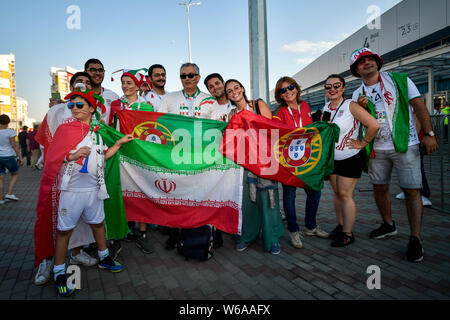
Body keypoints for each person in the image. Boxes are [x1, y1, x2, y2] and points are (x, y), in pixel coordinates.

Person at [36, 88, 132, 297]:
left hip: (94, 190)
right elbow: (54, 157)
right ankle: (60, 272)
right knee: (64, 231)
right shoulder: (65, 129)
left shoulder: (98, 131)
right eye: (71, 105)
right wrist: (72, 156)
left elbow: (103, 157)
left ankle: (104, 257)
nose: (74, 109)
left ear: (91, 108)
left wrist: (118, 143)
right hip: (71, 191)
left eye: (80, 105)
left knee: (98, 224)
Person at [351, 47, 438, 262]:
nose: (367, 63)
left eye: (371, 59)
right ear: (356, 70)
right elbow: (356, 122)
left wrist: (429, 133)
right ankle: (388, 224)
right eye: (362, 62)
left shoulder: (400, 80)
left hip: (405, 144)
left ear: (378, 63)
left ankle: (415, 238)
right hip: (376, 150)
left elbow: (418, 106)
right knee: (379, 188)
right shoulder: (356, 93)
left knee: (411, 192)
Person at [159, 62, 221, 250]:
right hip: (177, 155)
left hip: (203, 157)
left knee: (205, 194)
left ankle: (210, 232)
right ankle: (174, 233)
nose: (187, 79)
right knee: (177, 195)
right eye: (183, 76)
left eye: (191, 75)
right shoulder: (169, 98)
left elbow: (217, 127)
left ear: (198, 77)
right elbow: (159, 123)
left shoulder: (210, 99)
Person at [224, 79, 284, 255]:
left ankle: (272, 237)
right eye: (229, 91)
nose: (234, 92)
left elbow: (271, 129)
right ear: (227, 95)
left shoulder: (257, 104)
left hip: (265, 159)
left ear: (242, 89)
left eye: (236, 87)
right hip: (244, 162)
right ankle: (247, 235)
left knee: (268, 198)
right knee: (247, 201)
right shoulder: (231, 114)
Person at [321, 74, 379, 247]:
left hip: (350, 157)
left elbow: (374, 125)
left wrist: (363, 142)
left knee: (346, 195)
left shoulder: (351, 106)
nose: (332, 89)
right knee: (337, 194)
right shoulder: (326, 107)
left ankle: (348, 233)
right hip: (333, 159)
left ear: (343, 88)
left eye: (336, 86)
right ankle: (341, 226)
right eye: (328, 87)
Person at [272, 77, 329, 249]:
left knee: (315, 192)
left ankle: (311, 226)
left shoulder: (305, 106)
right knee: (289, 196)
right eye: (283, 90)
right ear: (280, 95)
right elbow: (276, 134)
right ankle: (294, 230)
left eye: (290, 87)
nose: (288, 91)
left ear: (296, 89)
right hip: (289, 161)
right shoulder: (279, 112)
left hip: (307, 159)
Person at [109, 68, 155, 254]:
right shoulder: (114, 104)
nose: (125, 86)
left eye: (129, 83)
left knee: (141, 191)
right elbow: (109, 128)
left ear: (137, 86)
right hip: (120, 153)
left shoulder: (146, 107)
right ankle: (120, 231)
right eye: (123, 83)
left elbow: (152, 130)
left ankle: (141, 233)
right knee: (120, 192)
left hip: (138, 154)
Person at [84, 58, 120, 123]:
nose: (97, 73)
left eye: (100, 70)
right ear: (85, 72)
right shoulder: (79, 97)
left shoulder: (114, 97)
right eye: (93, 70)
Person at [0, 114, 23, 204]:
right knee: (15, 174)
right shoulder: (10, 132)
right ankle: (9, 194)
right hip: (8, 156)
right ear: (8, 122)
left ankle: (1, 199)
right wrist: (20, 157)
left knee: (1, 178)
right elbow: (14, 145)